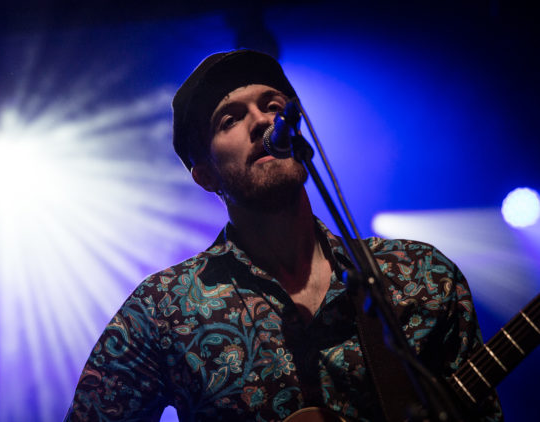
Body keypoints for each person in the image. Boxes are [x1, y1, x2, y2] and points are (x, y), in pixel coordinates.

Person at [64, 50, 503, 421]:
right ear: (204, 175)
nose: (261, 121)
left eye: (272, 105)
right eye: (229, 119)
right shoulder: (163, 309)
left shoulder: (420, 274)